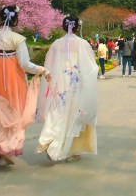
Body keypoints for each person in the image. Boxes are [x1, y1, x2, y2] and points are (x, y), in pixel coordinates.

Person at [0, 5, 51, 165]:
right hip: (15, 83)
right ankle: (6, 145)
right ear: (15, 20)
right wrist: (42, 70)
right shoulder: (18, 39)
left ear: (0, 17)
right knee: (16, 113)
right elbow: (25, 64)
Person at [36, 16, 98, 162]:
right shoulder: (83, 44)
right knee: (74, 116)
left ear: (64, 27)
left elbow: (48, 65)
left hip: (60, 83)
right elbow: (91, 66)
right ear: (77, 27)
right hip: (77, 83)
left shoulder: (56, 44)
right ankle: (71, 150)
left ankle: (49, 139)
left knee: (57, 112)